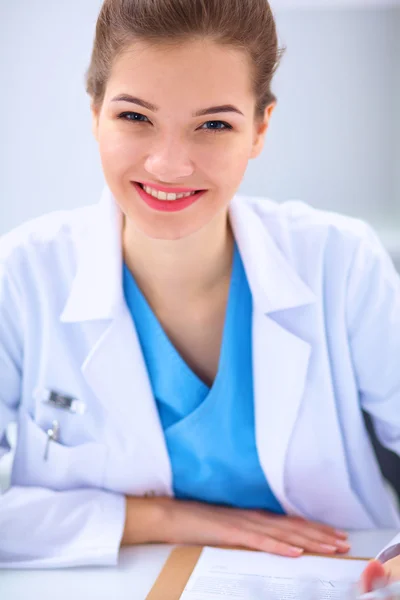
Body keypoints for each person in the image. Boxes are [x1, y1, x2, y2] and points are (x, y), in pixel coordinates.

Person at [0, 0, 398, 584]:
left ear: (260, 128)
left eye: (214, 124)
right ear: (94, 113)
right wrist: (162, 518)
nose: (168, 164)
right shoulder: (22, 275)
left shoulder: (341, 262)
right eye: (135, 117)